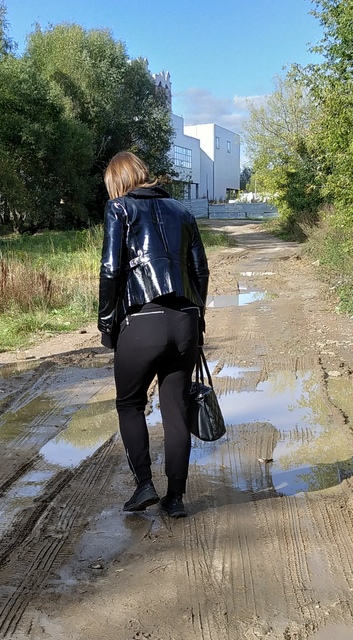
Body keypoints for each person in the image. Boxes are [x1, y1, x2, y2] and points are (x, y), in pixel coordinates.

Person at [98, 151, 209, 519]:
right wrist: (198, 319)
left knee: (130, 404)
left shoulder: (119, 208)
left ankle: (144, 484)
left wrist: (107, 324)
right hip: (185, 320)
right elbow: (200, 271)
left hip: (143, 319)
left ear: (117, 181)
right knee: (176, 409)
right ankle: (175, 498)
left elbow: (111, 270)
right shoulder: (183, 211)